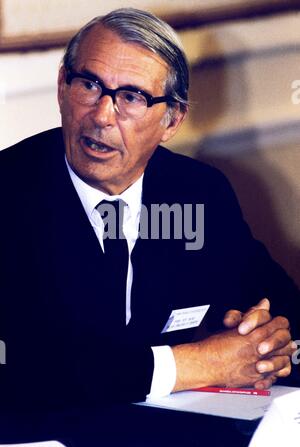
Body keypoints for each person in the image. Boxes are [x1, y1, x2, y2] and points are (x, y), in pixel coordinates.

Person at [0, 8, 299, 414]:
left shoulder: (198, 192)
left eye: (131, 97)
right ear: (61, 86)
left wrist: (270, 343)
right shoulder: (10, 193)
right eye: (89, 84)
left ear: (172, 120)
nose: (103, 116)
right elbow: (38, 371)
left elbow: (280, 306)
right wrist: (198, 364)